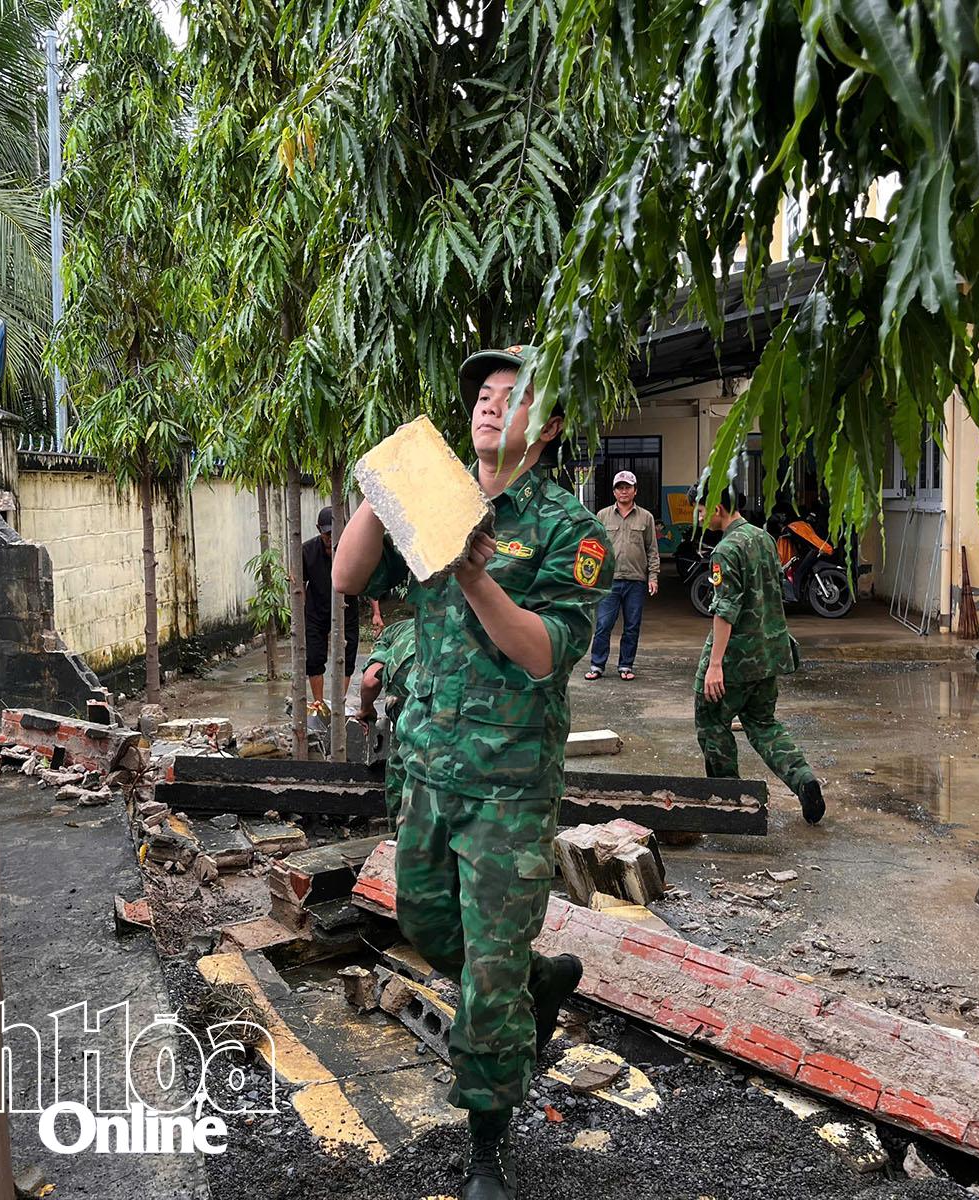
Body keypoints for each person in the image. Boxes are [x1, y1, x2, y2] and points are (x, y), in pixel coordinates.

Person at [334, 344, 612, 1200]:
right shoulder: (436, 501)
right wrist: (387, 484)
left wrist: (473, 571)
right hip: (425, 767)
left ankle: (487, 1139)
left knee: (485, 970)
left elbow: (542, 654)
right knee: (422, 916)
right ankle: (539, 979)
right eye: (483, 396)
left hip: (510, 786)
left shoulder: (571, 529)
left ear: (550, 424)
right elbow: (349, 576)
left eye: (513, 396)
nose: (491, 406)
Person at [690, 470, 825, 825]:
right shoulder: (763, 538)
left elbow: (725, 609)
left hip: (737, 659)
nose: (700, 517)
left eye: (702, 511)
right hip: (769, 653)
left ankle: (728, 804)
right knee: (763, 723)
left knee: (711, 723)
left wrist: (715, 665)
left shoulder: (726, 550)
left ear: (718, 507)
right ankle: (804, 779)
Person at [586, 470, 660, 681]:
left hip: (636, 581)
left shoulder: (646, 517)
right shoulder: (602, 515)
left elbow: (652, 550)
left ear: (635, 491)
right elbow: (595, 548)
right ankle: (597, 665)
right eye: (620, 487)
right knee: (603, 624)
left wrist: (653, 577)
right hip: (610, 581)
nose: (624, 491)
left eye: (627, 487)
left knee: (632, 626)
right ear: (614, 492)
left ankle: (625, 665)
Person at [301, 505, 363, 717]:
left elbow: (367, 579)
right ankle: (318, 703)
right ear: (319, 529)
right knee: (314, 658)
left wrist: (376, 612)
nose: (331, 537)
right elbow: (299, 584)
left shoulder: (353, 548)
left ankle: (339, 703)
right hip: (316, 611)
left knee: (347, 657)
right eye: (327, 533)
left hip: (347, 610)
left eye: (335, 532)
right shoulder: (307, 551)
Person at [357, 617, 416, 821]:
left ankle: (399, 832)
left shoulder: (391, 632)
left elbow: (371, 680)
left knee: (402, 755)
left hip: (407, 684)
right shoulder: (449, 623)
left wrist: (365, 709)